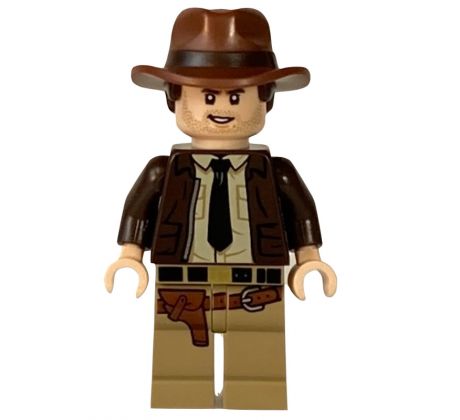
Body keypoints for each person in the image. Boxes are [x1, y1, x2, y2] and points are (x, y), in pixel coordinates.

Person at [105, 7, 337, 410]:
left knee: (257, 367)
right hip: (180, 280)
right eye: (208, 96)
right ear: (173, 98)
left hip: (257, 279)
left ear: (266, 101)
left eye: (236, 96)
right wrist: (130, 256)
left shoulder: (276, 171)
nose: (222, 108)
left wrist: (309, 260)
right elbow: (139, 207)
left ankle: (251, 403)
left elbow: (300, 210)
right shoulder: (164, 169)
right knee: (180, 368)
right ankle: (185, 402)